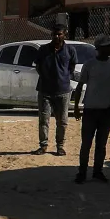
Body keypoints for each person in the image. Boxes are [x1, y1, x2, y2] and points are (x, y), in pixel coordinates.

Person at [72, 35, 110, 184]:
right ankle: (82, 172)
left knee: (101, 144)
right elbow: (80, 85)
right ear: (100, 49)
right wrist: (77, 107)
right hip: (90, 110)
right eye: (108, 46)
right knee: (86, 143)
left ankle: (97, 171)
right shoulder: (89, 65)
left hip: (107, 110)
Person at [33, 23, 73, 156]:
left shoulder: (70, 50)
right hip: (45, 90)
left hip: (63, 91)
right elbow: (38, 66)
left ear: (64, 34)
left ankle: (60, 146)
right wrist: (46, 77)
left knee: (62, 121)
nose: (56, 36)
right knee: (44, 120)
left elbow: (71, 68)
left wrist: (62, 78)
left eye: (59, 34)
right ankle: (43, 145)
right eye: (54, 34)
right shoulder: (43, 50)